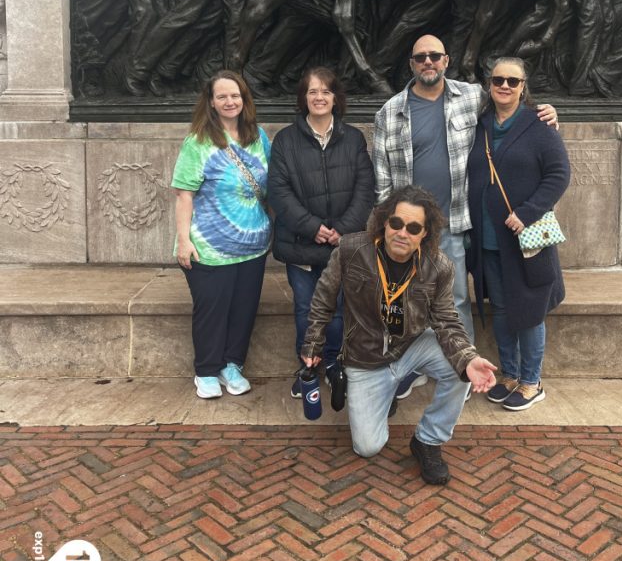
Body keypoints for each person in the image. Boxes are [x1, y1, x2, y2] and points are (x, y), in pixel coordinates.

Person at [372, 33, 558, 398]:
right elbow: (382, 181)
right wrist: (388, 230)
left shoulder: (471, 97)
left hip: (453, 224)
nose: (428, 62)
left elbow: (511, 108)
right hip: (407, 231)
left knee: (455, 301)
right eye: (420, 57)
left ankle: (461, 368)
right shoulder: (389, 112)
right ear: (411, 64)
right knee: (407, 300)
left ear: (446, 61)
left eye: (435, 56)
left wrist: (546, 113)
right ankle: (416, 367)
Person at [301, 185, 497, 485]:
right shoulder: (351, 250)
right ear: (384, 222)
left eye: (413, 228)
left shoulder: (439, 267)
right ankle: (383, 394)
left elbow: (447, 320)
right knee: (367, 447)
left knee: (463, 366)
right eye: (396, 223)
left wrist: (469, 359)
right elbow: (323, 299)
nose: (402, 233)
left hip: (410, 346)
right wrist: (313, 343)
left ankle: (428, 440)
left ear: (425, 234)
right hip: (365, 358)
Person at [467, 57, 570, 410]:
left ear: (524, 86)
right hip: (488, 241)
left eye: (513, 81)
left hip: (525, 242)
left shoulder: (539, 125)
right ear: (489, 84)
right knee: (501, 309)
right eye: (498, 80)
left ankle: (531, 382)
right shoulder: (480, 126)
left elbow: (559, 175)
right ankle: (509, 374)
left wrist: (526, 213)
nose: (505, 86)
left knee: (528, 312)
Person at [268, 67, 375, 396]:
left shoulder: (353, 138)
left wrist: (342, 230)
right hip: (301, 244)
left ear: (335, 98)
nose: (319, 97)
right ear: (303, 98)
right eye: (312, 91)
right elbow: (278, 192)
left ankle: (332, 362)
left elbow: (365, 188)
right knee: (306, 308)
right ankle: (308, 366)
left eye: (325, 91)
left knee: (339, 310)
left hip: (341, 247)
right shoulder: (285, 140)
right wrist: (313, 227)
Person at [171, 70, 271, 399]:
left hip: (253, 246)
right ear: (211, 103)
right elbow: (184, 195)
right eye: (222, 96)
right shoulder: (198, 142)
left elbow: (272, 185)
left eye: (235, 95)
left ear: (244, 99)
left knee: (243, 309)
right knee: (211, 310)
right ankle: (206, 370)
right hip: (209, 247)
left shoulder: (258, 137)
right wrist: (183, 241)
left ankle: (232, 365)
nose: (230, 101)